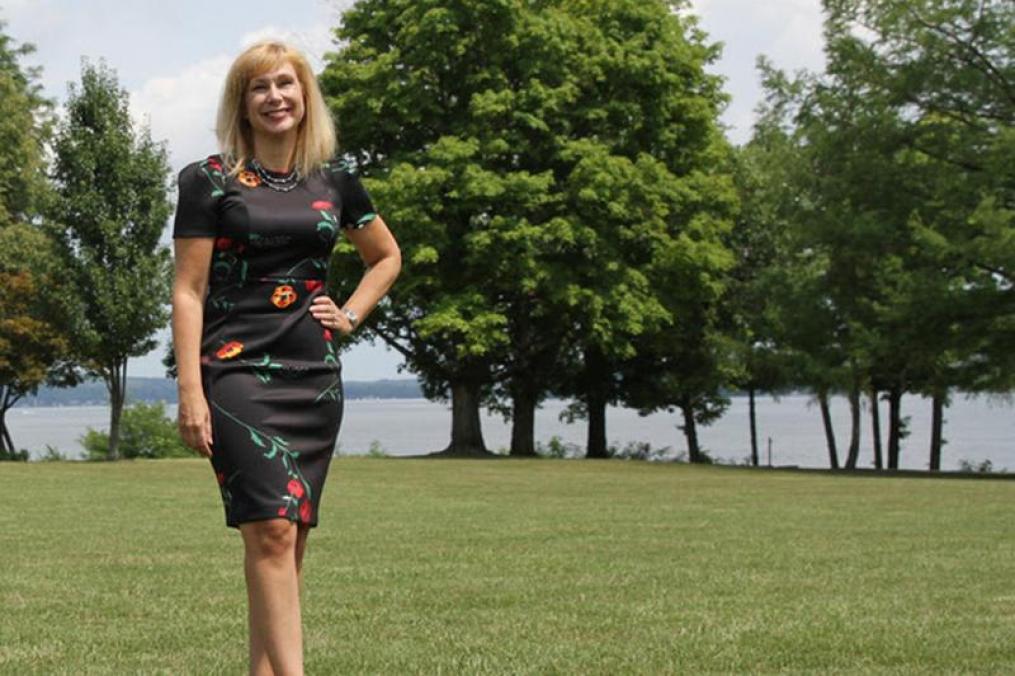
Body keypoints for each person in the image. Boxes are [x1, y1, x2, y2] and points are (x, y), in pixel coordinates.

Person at [171, 39, 401, 675]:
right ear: (242, 103)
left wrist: (350, 313)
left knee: (286, 544)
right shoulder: (208, 180)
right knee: (271, 532)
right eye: (259, 87)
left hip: (314, 377)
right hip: (236, 371)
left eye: (285, 84)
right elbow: (187, 291)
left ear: (305, 96)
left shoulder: (337, 183)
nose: (275, 97)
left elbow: (387, 256)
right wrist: (190, 390)